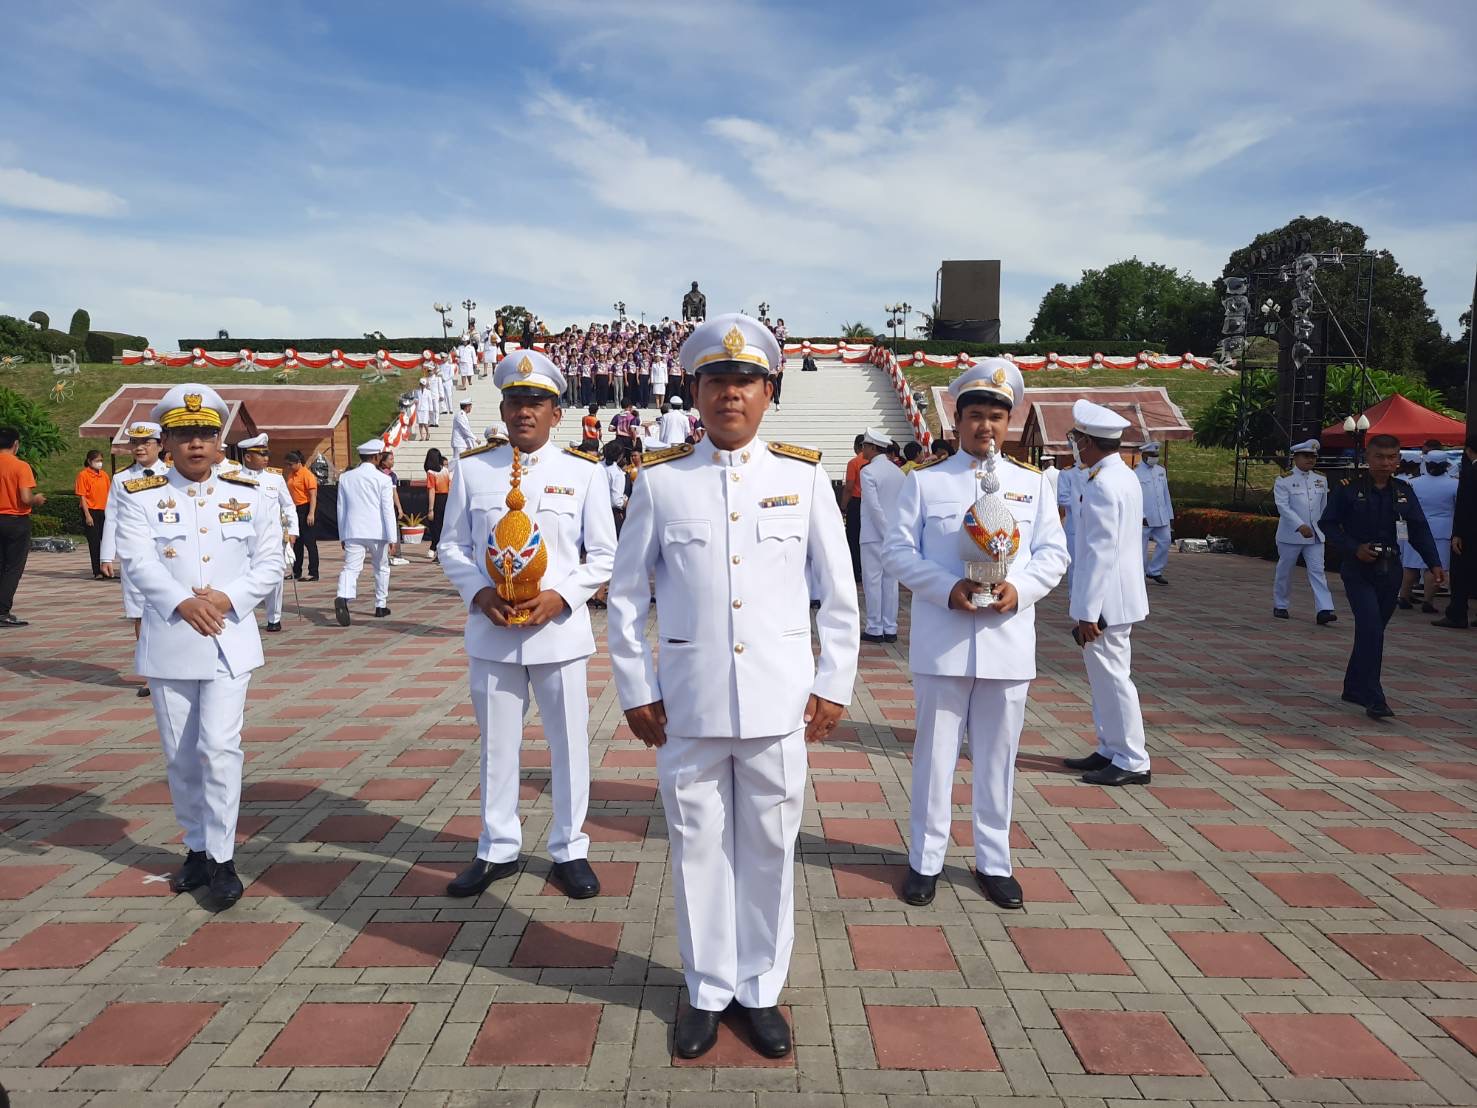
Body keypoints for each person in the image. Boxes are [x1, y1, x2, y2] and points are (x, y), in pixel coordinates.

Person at [607, 313, 859, 1061]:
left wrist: (834, 681)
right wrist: (634, 688)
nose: (731, 395)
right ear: (693, 390)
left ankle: (759, 989)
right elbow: (625, 598)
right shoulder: (659, 481)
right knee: (696, 850)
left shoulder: (802, 476)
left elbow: (837, 594)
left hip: (780, 701)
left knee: (770, 849)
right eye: (716, 380)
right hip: (686, 703)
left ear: (769, 392)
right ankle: (705, 989)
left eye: (745, 381)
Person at [885, 359, 1068, 909]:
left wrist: (1024, 590)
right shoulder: (925, 483)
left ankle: (993, 860)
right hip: (943, 640)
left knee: (997, 759)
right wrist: (946, 588)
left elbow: (1054, 554)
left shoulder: (1033, 485)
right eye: (974, 417)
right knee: (935, 757)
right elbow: (897, 552)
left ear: (1009, 422)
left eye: (995, 417)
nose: (985, 427)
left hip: (1007, 640)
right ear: (956, 421)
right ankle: (926, 859)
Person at [437, 350, 617, 900]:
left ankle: (570, 847)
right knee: (498, 745)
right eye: (515, 401)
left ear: (556, 412)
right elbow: (452, 545)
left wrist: (562, 596)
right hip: (493, 630)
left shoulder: (583, 473)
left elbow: (605, 555)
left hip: (557, 631)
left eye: (536, 402)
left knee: (568, 746)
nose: (524, 412)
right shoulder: (472, 469)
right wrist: (478, 591)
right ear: (504, 406)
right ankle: (497, 847)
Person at [112, 384, 283, 906]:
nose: (195, 444)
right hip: (171, 637)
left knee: (219, 748)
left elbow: (272, 563)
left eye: (206, 434)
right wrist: (184, 603)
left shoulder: (251, 492)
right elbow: (137, 561)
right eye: (184, 434)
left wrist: (227, 599)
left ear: (220, 440)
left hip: (230, 638)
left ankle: (224, 857)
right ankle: (195, 847)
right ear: (166, 440)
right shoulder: (140, 494)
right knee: (182, 754)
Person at [1320, 433, 1443, 719]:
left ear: (1398, 460)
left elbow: (1419, 529)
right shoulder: (1348, 489)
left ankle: (1353, 687)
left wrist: (1434, 564)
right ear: (1367, 458)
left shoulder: (1403, 490)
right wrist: (1353, 548)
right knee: (1371, 629)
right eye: (1379, 457)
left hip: (1390, 569)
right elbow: (1327, 524)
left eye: (1391, 458)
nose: (1385, 463)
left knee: (1372, 632)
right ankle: (1374, 697)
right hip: (1358, 568)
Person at [1062, 400, 1151, 786]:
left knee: (1114, 679)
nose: (1076, 445)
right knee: (1104, 678)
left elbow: (1099, 551)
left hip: (1106, 601)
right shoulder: (1120, 475)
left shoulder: (1102, 484)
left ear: (1090, 442)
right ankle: (1111, 747)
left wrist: (1087, 610)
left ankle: (1132, 757)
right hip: (1117, 596)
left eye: (1078, 439)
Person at [100, 421, 164, 693]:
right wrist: (106, 556)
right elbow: (112, 517)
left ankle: (175, 668)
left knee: (171, 610)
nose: (139, 448)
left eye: (146, 442)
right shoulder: (121, 479)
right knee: (139, 614)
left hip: (167, 554)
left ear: (160, 445)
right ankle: (151, 674)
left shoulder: (174, 474)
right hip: (135, 557)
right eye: (135, 443)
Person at [235, 434, 297, 633]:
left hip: (271, 537)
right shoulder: (234, 478)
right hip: (244, 538)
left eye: (266, 454)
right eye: (260, 454)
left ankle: (274, 617)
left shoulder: (274, 478)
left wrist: (292, 531)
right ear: (248, 457)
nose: (266, 458)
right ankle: (244, 617)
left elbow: (288, 506)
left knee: (275, 578)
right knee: (242, 577)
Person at [334, 439, 399, 625]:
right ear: (377, 456)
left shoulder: (346, 477)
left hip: (353, 530)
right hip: (377, 531)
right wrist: (392, 536)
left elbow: (341, 508)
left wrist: (342, 534)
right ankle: (380, 605)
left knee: (351, 568)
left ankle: (343, 596)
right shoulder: (384, 479)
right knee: (381, 567)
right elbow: (387, 509)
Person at [1272, 440, 1336, 623]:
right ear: (1296, 458)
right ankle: (1281, 604)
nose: (1311, 460)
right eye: (1306, 456)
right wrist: (1300, 525)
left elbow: (1323, 507)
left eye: (1313, 456)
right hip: (1291, 535)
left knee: (1318, 571)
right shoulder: (1284, 480)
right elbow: (1283, 507)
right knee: (1285, 570)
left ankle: (1324, 609)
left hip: (1315, 535)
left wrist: (1324, 527)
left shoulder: (1321, 479)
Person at [858, 428, 904, 643]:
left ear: (873, 448)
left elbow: (874, 508)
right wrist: (894, 534)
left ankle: (875, 627)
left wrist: (885, 532)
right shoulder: (898, 472)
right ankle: (890, 627)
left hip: (874, 535)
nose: (863, 450)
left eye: (865, 446)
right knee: (890, 582)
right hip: (894, 535)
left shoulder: (867, 472)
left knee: (873, 582)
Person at [1399, 451, 1457, 612]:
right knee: (1434, 566)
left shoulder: (1414, 483)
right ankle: (1428, 601)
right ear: (1446, 465)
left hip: (1416, 528)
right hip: (1442, 530)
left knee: (1410, 565)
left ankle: (1403, 596)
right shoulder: (1454, 484)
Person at [0, 427, 45, 626]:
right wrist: (37, 499)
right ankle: (2, 611)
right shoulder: (20, 466)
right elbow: (25, 498)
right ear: (15, 444)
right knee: (13, 567)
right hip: (15, 520)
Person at [1433, 434, 1477, 629]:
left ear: (1468, 450)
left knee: (1460, 574)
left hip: (1469, 531)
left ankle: (1457, 613)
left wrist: (1458, 533)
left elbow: (1465, 504)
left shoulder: (1471, 472)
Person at [1137, 442, 1173, 585]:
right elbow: (1134, 497)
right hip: (1144, 517)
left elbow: (1166, 494)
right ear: (1144, 455)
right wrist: (1140, 516)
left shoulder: (1160, 471)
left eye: (1156, 455)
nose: (1154, 458)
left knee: (1165, 541)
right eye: (1152, 455)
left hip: (1161, 515)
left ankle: (1155, 571)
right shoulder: (1135, 472)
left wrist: (1170, 515)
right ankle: (1139, 573)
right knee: (1140, 548)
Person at [74, 449, 112, 578]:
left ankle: (107, 568)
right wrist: (87, 515)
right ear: (90, 461)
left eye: (101, 460)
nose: (100, 463)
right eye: (97, 461)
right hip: (91, 510)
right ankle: (97, 571)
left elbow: (109, 494)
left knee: (106, 541)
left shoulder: (104, 475)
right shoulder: (83, 475)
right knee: (94, 542)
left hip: (104, 510)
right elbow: (82, 496)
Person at [285, 451, 319, 581]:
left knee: (309, 542)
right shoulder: (291, 474)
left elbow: (313, 496)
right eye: (287, 464)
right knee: (297, 542)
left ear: (298, 463)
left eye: (291, 464)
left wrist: (311, 513)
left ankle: (313, 572)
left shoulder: (307, 475)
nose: (289, 467)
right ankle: (296, 571)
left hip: (306, 507)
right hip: (295, 508)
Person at [839, 433, 867, 582]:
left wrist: (843, 507)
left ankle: (856, 572)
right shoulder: (874, 461)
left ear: (856, 446)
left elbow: (849, 487)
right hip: (870, 504)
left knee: (854, 539)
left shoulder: (854, 462)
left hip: (856, 503)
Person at [423, 447, 451, 561]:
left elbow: (432, 490)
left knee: (436, 527)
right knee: (444, 527)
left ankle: (439, 552)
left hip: (437, 500)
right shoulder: (445, 470)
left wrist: (430, 509)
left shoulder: (431, 472)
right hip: (447, 499)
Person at [451, 400, 478, 465]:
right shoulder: (460, 415)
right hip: (459, 443)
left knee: (461, 462)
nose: (471, 408)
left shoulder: (463, 415)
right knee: (457, 461)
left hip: (463, 443)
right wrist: (475, 439)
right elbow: (465, 429)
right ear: (467, 407)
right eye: (470, 406)